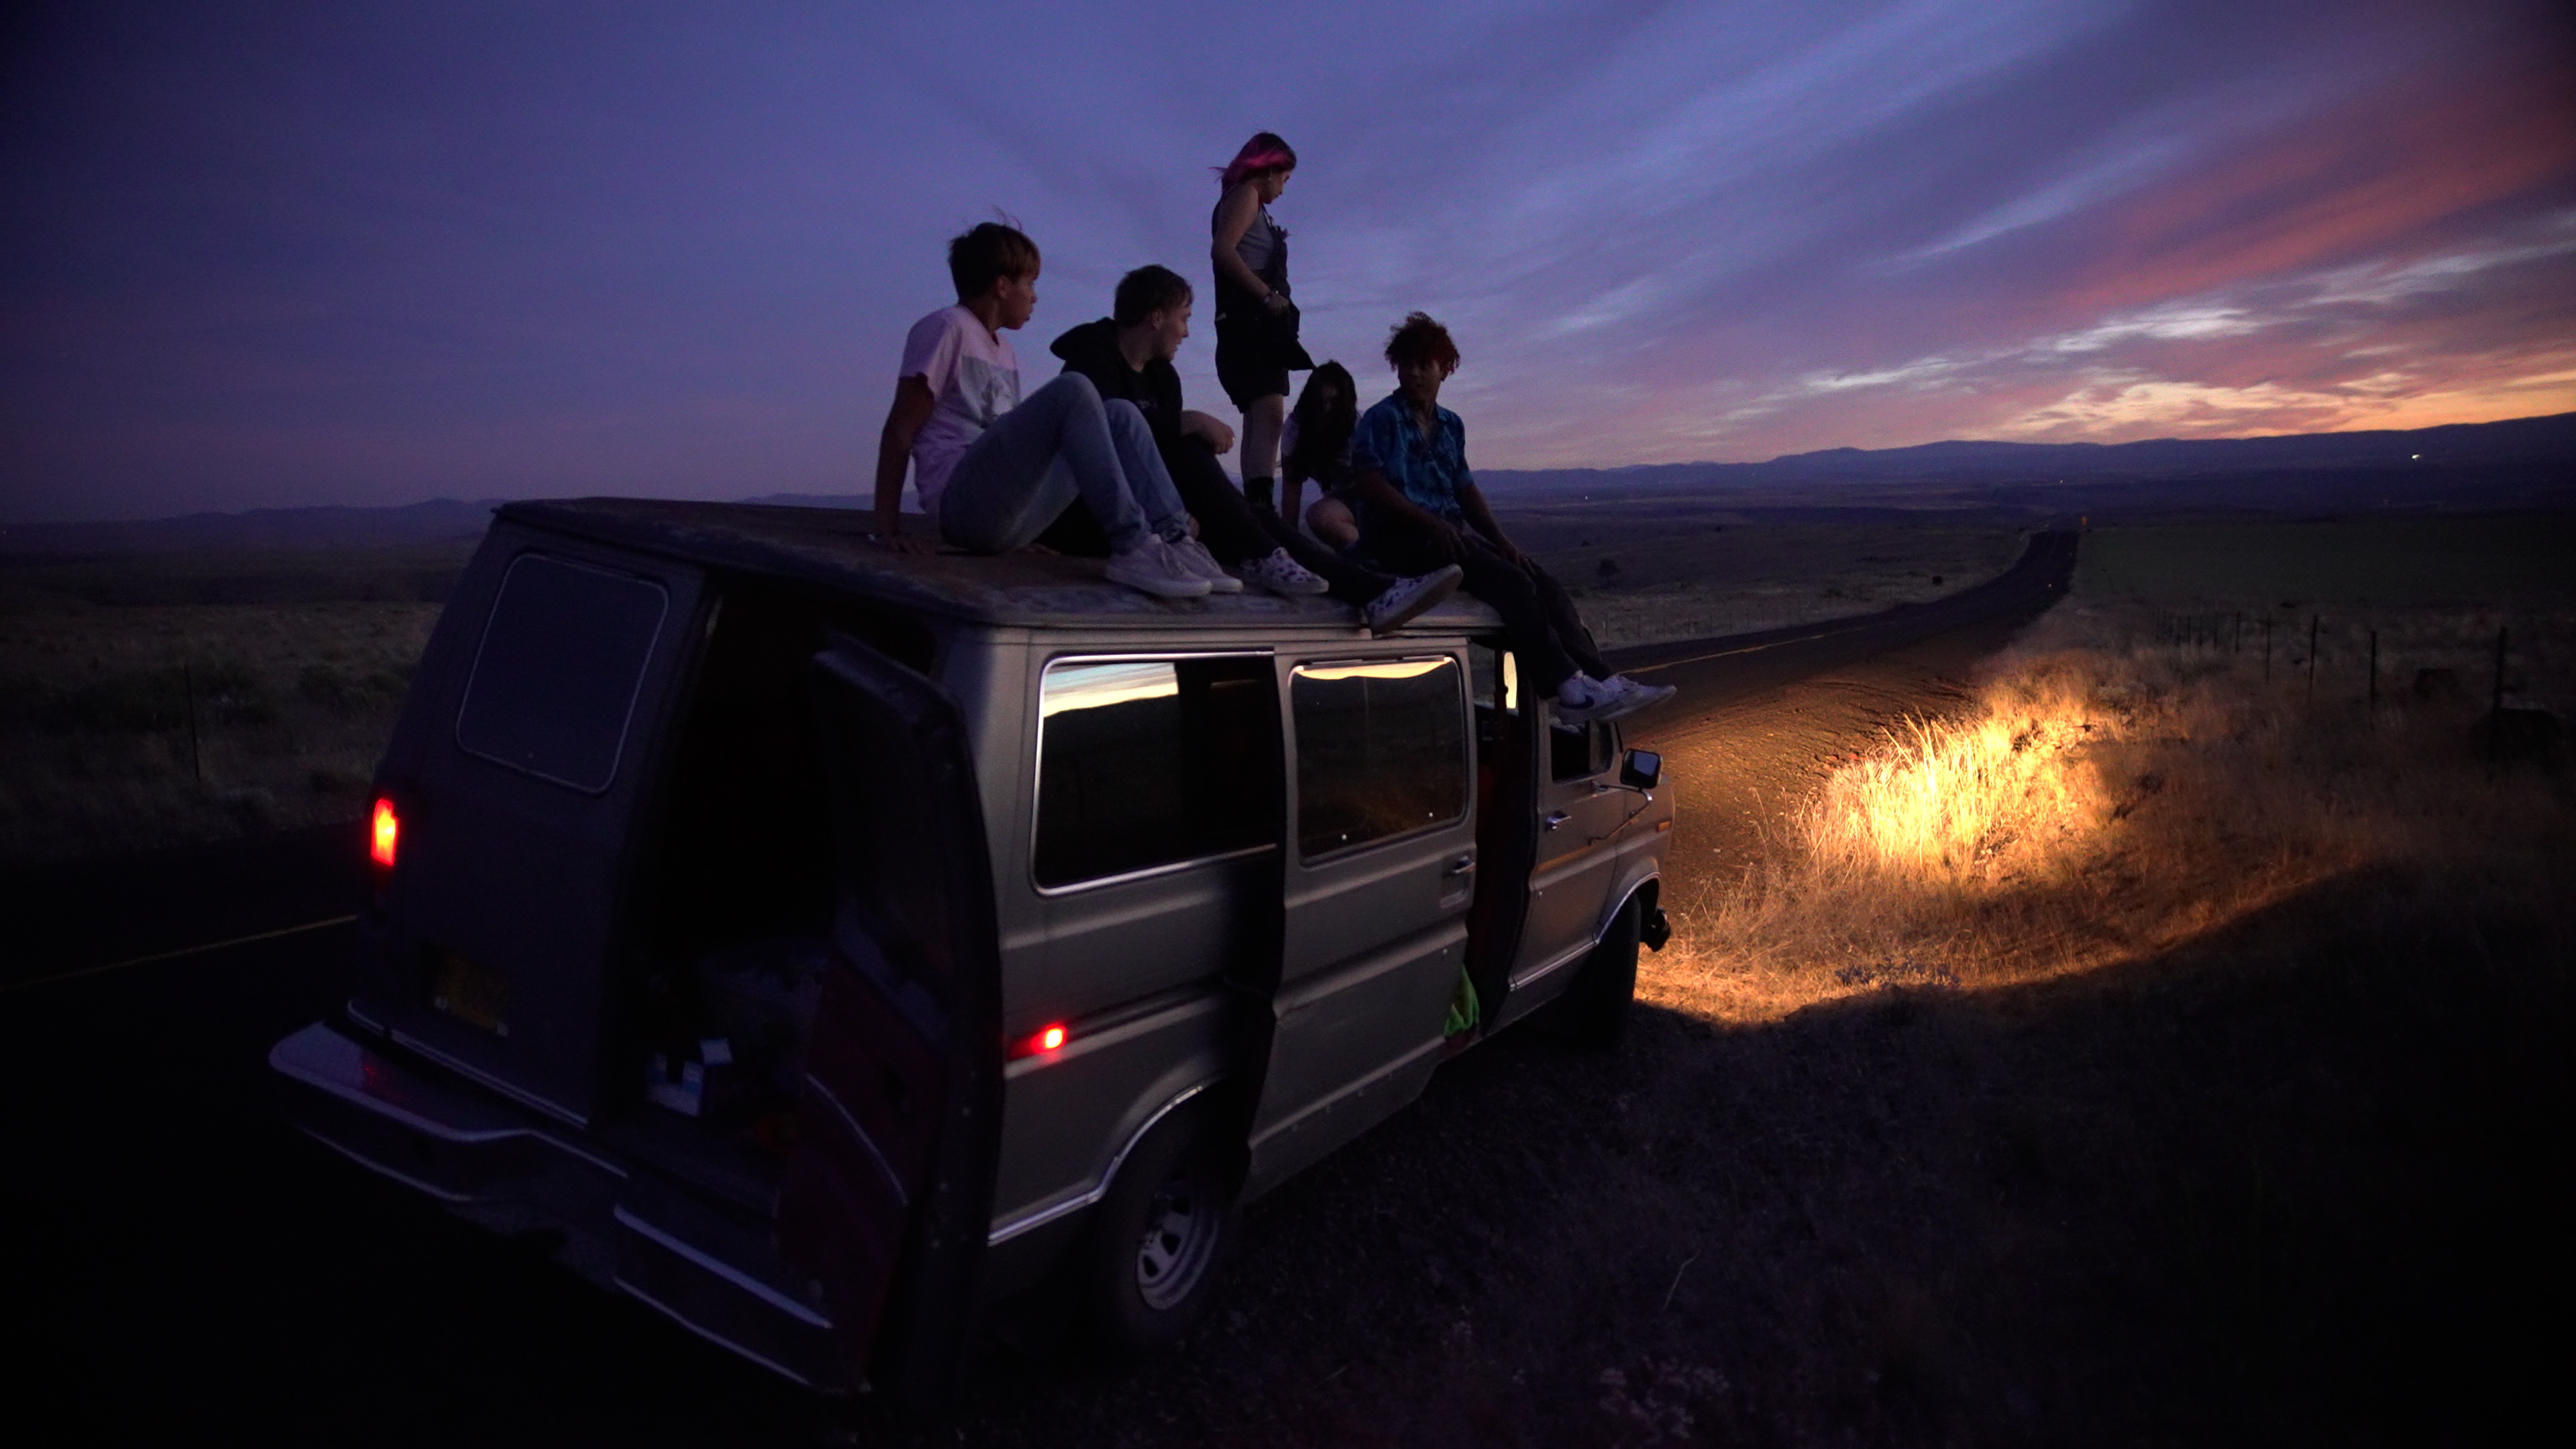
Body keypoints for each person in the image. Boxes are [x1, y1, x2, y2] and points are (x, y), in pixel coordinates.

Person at [1046, 266, 1463, 632]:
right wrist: (1183, 424)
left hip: (1160, 520)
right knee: (1192, 446)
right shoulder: (1091, 362)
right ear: (1157, 317)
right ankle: (1266, 555)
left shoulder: (1162, 378)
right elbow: (1097, 448)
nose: (1187, 331)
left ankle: (1375, 592)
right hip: (1102, 519)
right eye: (1184, 318)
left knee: (1256, 516)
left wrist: (1175, 506)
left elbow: (1157, 462)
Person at [1344, 313, 1676, 725]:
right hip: (1399, 539)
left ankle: (1602, 679)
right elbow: (1369, 484)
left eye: (1422, 365)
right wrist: (1429, 523)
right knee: (1512, 585)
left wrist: (1502, 542)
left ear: (1445, 369)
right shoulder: (1381, 419)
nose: (1412, 374)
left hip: (1446, 535)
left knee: (1544, 584)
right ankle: (1570, 690)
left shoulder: (1450, 425)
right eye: (1405, 365)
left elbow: (1465, 490)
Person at [871, 221, 1228, 599]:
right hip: (961, 504)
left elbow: (1008, 444)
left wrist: (1017, 534)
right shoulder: (947, 327)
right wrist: (888, 529)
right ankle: (1132, 544)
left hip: (1001, 519)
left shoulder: (1003, 350)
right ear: (1002, 286)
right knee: (1073, 389)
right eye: (1030, 284)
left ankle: (1175, 540)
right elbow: (900, 430)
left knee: (1120, 412)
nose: (1035, 297)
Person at [1210, 132, 1312, 517]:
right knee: (1269, 410)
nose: (1284, 190)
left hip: (1246, 322)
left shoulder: (1246, 200)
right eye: (1284, 179)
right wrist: (1268, 297)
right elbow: (1222, 251)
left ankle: (1255, 508)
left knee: (1259, 411)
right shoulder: (1246, 195)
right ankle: (1262, 511)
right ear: (1267, 169)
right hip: (1251, 321)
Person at [1283, 362, 1362, 550]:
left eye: (1334, 402)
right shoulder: (1296, 428)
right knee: (1322, 517)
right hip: (1341, 506)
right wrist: (1290, 545)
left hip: (1373, 502)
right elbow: (1291, 489)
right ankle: (1364, 558)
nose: (1327, 409)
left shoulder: (1359, 427)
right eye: (1321, 402)